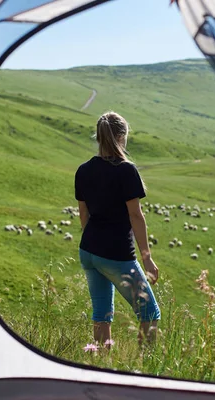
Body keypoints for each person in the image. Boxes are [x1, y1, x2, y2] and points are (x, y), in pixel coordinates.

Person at [74, 111, 160, 348]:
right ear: (121, 137)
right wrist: (147, 259)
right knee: (150, 314)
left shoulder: (83, 170)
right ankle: (146, 367)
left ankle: (101, 364)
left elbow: (84, 214)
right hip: (116, 254)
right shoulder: (126, 170)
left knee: (101, 314)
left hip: (89, 250)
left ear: (99, 137)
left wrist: (94, 242)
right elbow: (135, 215)